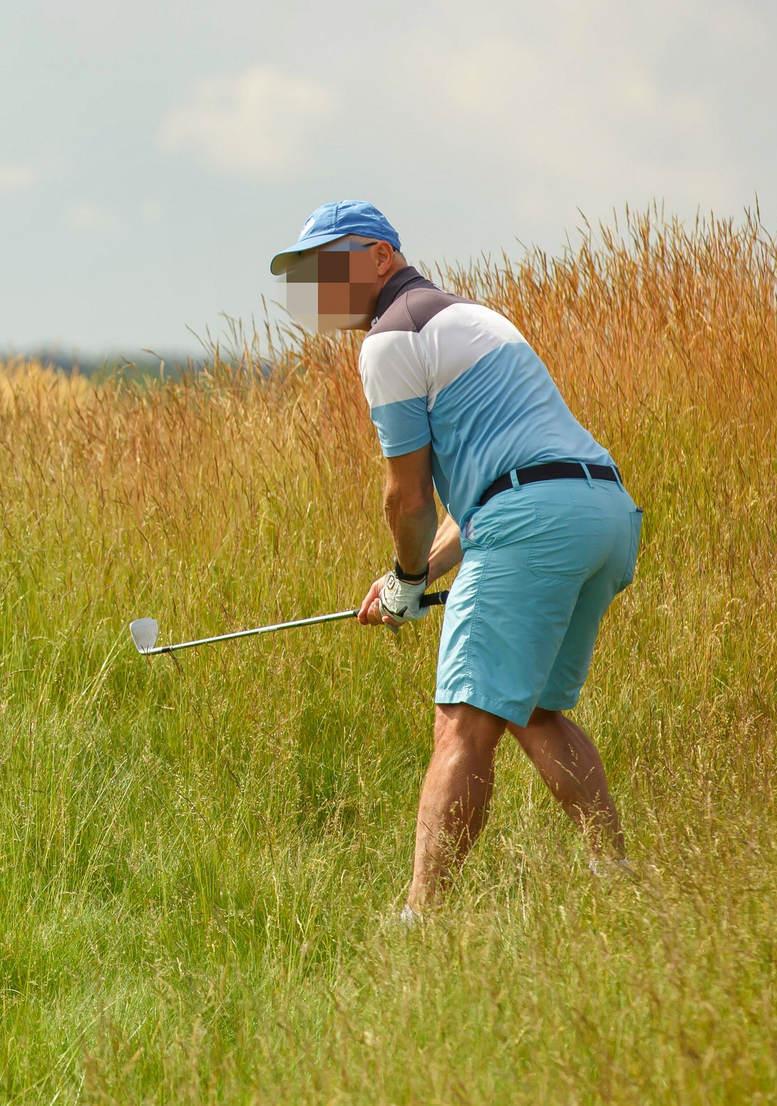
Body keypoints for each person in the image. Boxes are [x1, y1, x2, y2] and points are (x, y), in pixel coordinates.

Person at [271, 200, 639, 916]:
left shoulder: (388, 337)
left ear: (380, 256)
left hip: (531, 520)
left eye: (331, 264)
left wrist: (408, 576)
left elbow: (406, 498)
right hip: (603, 513)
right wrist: (408, 578)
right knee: (531, 705)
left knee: (463, 720)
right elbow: (483, 500)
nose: (320, 286)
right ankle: (615, 875)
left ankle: (421, 921)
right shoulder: (469, 316)